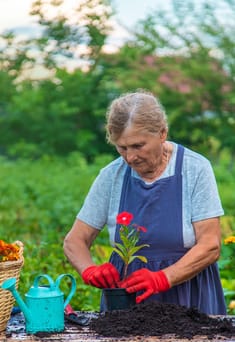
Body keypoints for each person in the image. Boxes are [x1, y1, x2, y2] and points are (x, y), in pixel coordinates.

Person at [63, 90, 226, 315]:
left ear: (162, 133)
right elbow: (75, 241)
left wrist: (163, 278)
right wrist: (90, 270)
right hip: (128, 303)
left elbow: (210, 245)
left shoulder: (194, 168)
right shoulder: (112, 176)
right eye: (122, 148)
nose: (130, 157)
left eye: (138, 146)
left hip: (190, 297)